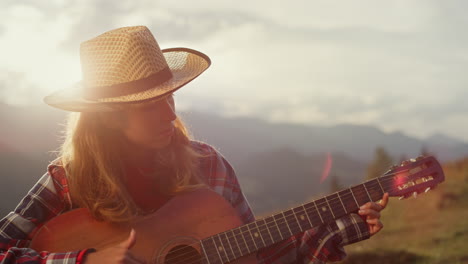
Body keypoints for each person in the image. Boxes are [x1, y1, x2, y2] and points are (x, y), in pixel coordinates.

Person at [0, 26, 388, 264]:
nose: (170, 115)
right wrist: (83, 260)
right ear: (108, 118)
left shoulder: (209, 165)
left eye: (170, 98)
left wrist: (336, 229)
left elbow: (250, 254)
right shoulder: (66, 181)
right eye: (151, 107)